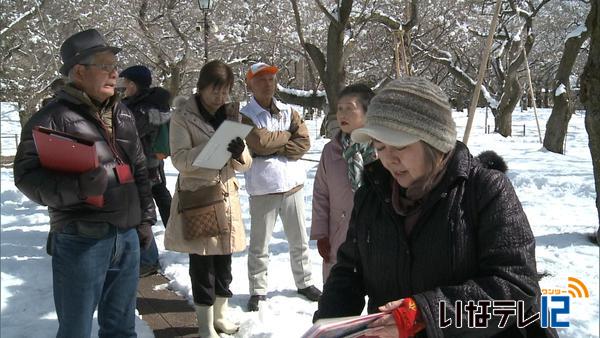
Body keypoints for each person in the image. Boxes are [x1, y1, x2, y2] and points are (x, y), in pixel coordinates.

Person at [314, 77, 558, 338]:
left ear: (434, 141)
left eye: (400, 146)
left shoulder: (485, 190)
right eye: (380, 146)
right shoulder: (372, 193)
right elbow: (349, 272)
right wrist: (328, 326)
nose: (389, 159)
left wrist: (424, 313)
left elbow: (515, 289)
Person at [13, 28, 156, 338]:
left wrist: (145, 219)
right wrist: (78, 188)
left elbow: (140, 170)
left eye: (115, 66)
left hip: (128, 238)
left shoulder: (123, 113)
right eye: (105, 65)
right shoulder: (49, 118)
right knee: (76, 331)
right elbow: (25, 177)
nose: (115, 73)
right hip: (81, 241)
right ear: (79, 71)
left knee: (121, 330)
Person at [164, 60, 251, 338]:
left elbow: (245, 164)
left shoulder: (231, 114)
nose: (221, 97)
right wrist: (212, 147)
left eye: (225, 91)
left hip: (226, 199)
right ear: (201, 88)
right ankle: (204, 325)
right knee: (203, 265)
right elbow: (179, 160)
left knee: (224, 263)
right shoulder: (182, 116)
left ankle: (221, 315)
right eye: (215, 91)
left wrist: (239, 153)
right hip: (200, 199)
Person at [241, 62, 321, 312]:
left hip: (292, 184)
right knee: (259, 244)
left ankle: (305, 282)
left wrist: (275, 143)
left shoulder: (288, 110)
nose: (268, 83)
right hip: (263, 186)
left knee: (299, 241)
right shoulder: (245, 114)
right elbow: (258, 143)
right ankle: (258, 289)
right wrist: (286, 137)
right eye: (261, 79)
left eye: (271, 79)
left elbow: (304, 141)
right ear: (250, 84)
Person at [310, 84, 376, 283]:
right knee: (337, 294)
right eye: (339, 108)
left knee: (380, 304)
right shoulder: (331, 151)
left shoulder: (382, 149)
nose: (342, 114)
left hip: (377, 236)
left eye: (349, 108)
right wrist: (321, 233)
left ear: (368, 112)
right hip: (340, 234)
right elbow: (321, 193)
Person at [119, 65, 173, 277]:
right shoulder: (153, 104)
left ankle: (149, 259)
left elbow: (127, 134)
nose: (123, 89)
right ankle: (161, 245)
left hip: (142, 166)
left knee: (141, 211)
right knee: (153, 203)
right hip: (151, 164)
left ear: (133, 84)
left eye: (126, 84)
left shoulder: (142, 109)